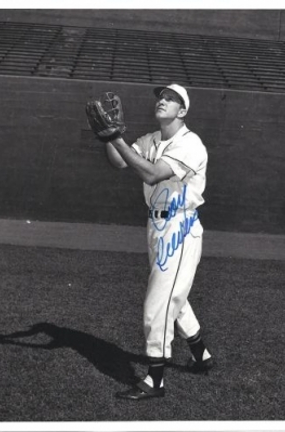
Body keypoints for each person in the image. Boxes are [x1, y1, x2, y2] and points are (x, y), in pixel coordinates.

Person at [106, 83, 213, 400]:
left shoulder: (191, 144)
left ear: (182, 111)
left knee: (159, 301)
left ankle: (155, 381)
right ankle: (200, 354)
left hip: (180, 224)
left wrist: (116, 138)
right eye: (161, 97)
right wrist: (110, 137)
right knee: (172, 296)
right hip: (156, 222)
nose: (162, 100)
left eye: (171, 99)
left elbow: (153, 175)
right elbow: (120, 162)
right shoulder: (150, 139)